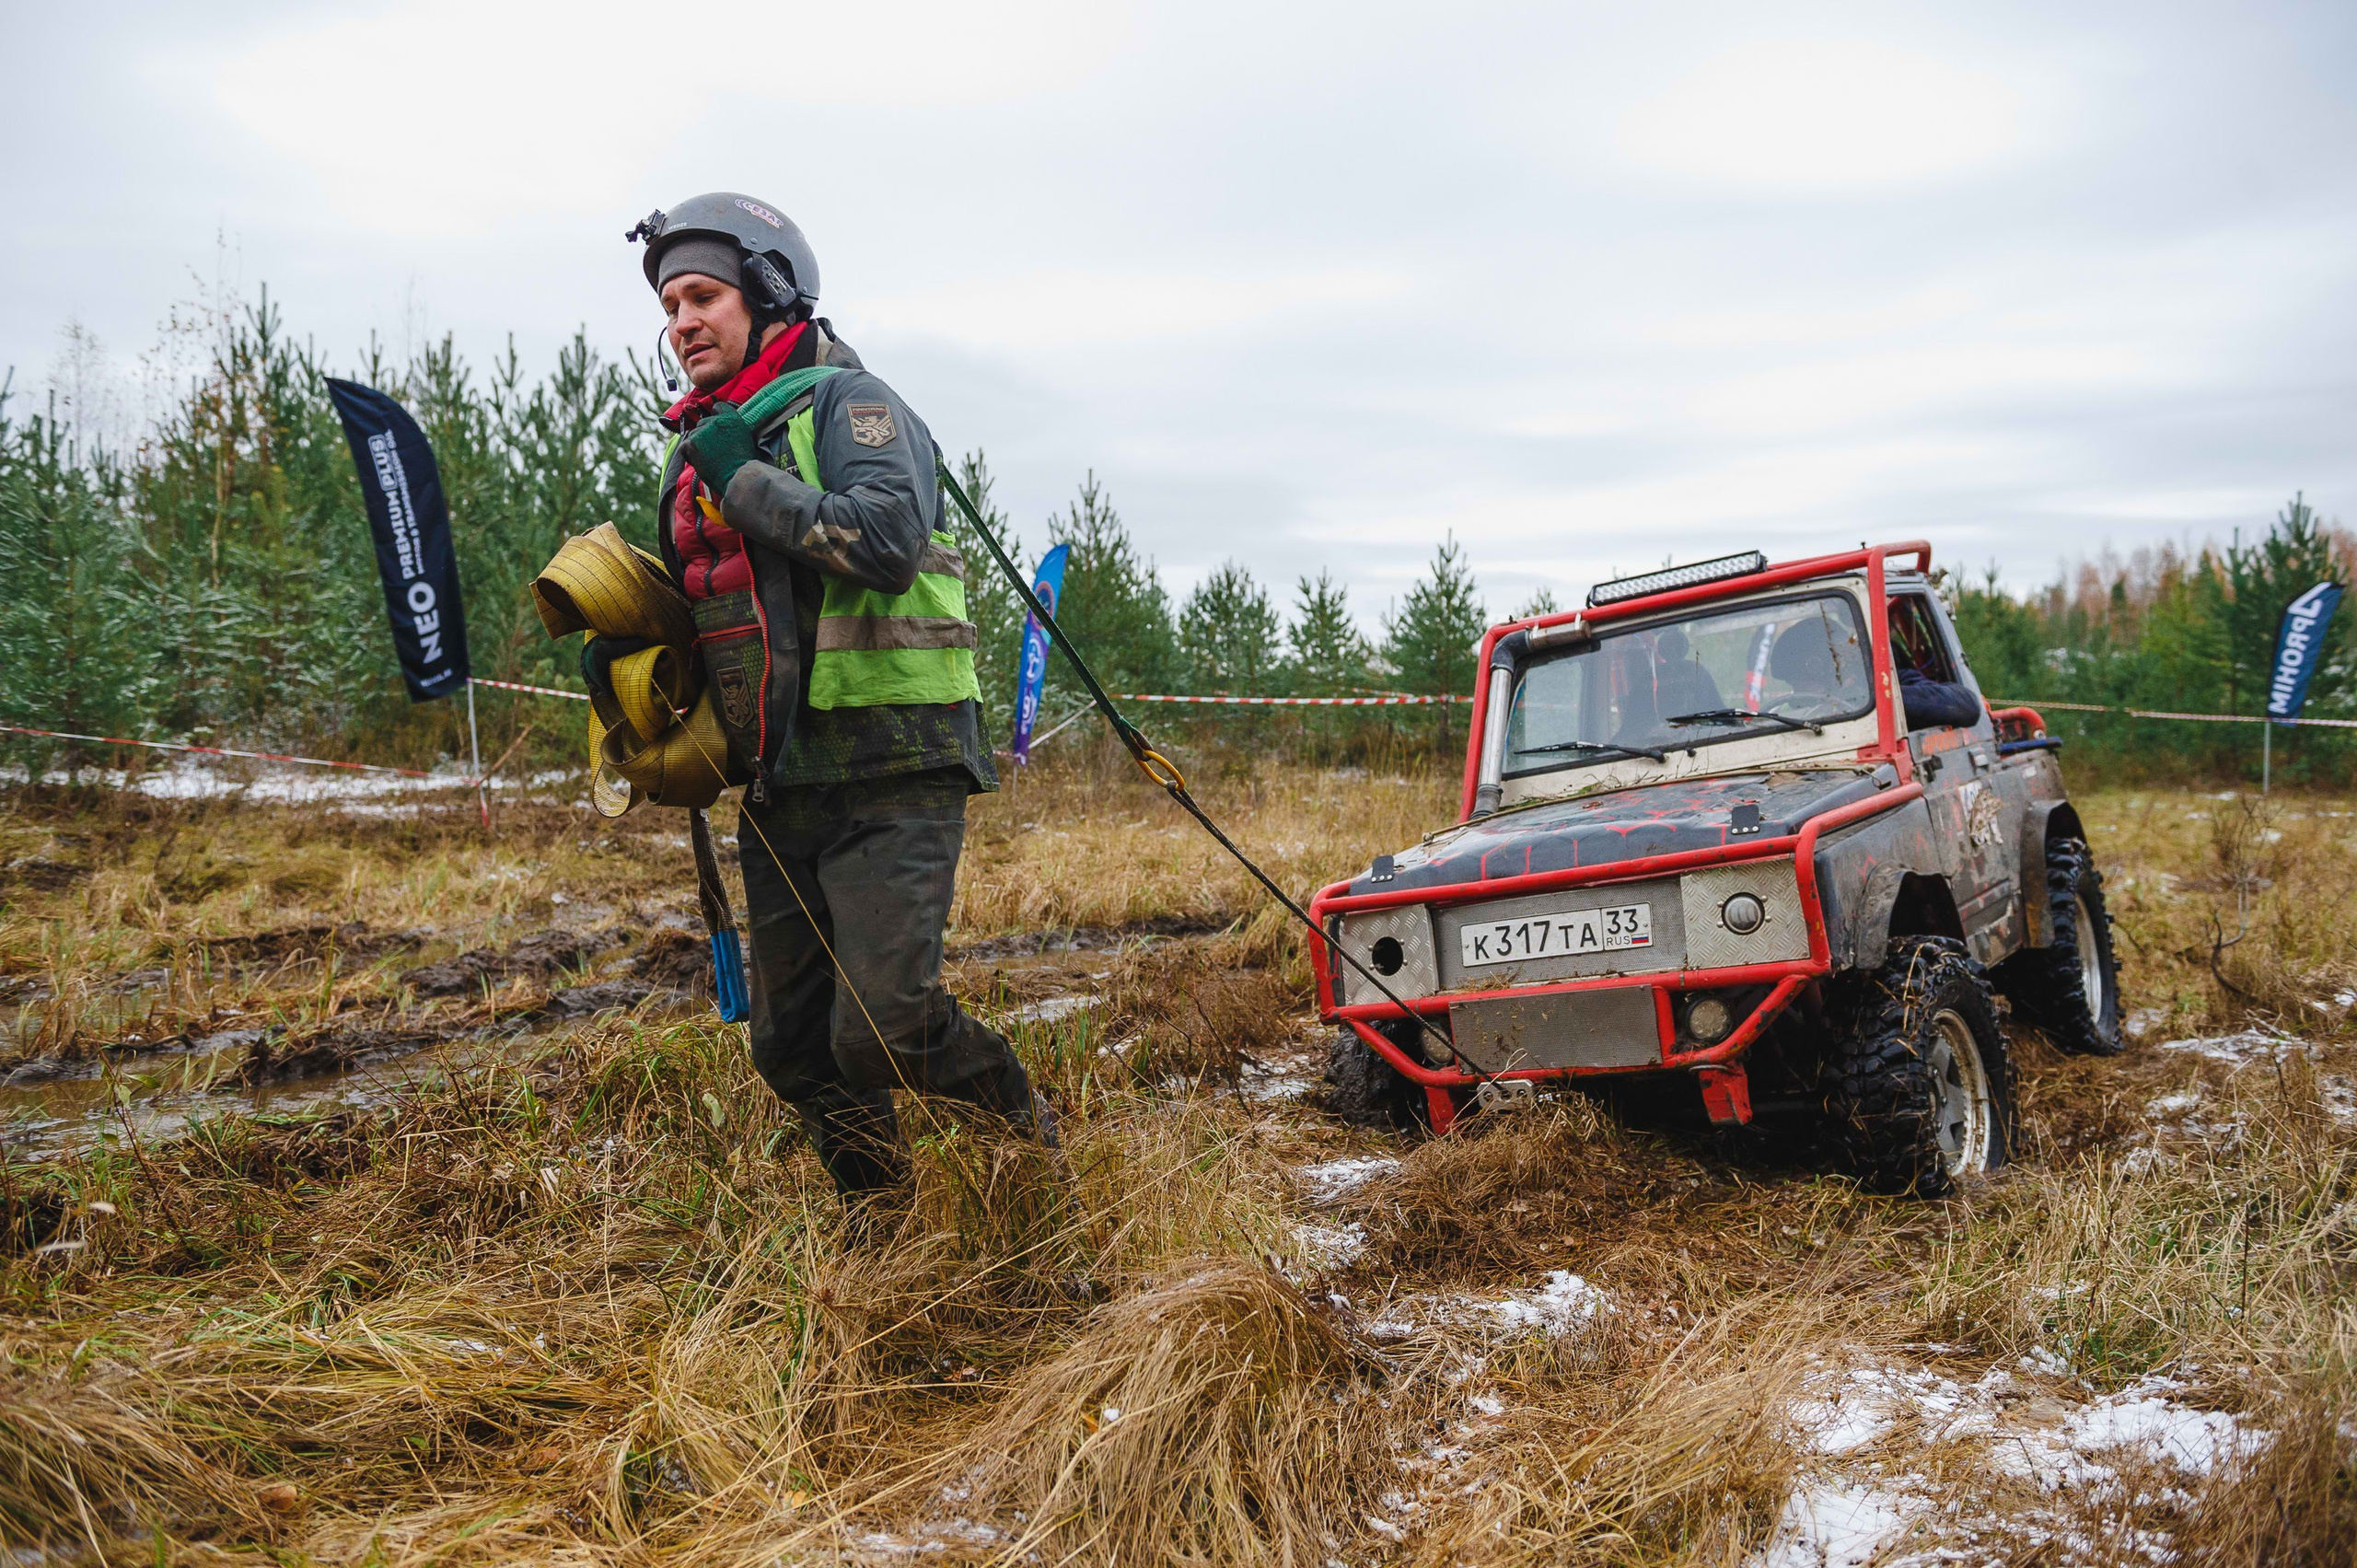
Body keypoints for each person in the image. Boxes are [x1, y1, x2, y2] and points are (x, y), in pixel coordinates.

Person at [610, 192, 1052, 1221]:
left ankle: (1031, 1161)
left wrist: (741, 473)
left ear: (768, 292)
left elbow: (885, 542)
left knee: (885, 1028)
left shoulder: (850, 407)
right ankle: (884, 1223)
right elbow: (726, 607)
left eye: (703, 295)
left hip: (892, 766)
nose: (681, 322)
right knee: (792, 1047)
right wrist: (629, 653)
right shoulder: (700, 449)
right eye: (670, 303)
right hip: (781, 778)